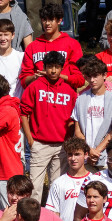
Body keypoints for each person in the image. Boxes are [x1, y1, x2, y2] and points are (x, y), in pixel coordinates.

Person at [21, 51, 77, 200]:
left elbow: (74, 119)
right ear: (44, 68)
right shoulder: (34, 87)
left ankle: (54, 219)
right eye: (50, 67)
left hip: (61, 147)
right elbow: (23, 113)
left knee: (57, 186)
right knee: (35, 187)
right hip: (39, 144)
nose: (53, 70)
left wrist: (69, 140)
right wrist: (30, 139)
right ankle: (32, 220)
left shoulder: (69, 91)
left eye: (57, 67)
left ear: (62, 68)